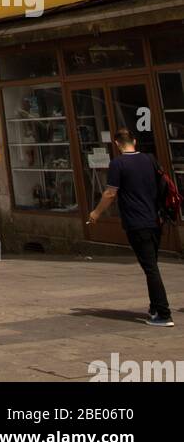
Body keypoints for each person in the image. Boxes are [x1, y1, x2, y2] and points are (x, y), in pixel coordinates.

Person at [88, 128, 174, 327]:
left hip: (137, 222)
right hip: (155, 220)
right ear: (134, 141)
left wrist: (96, 213)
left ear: (117, 144)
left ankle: (163, 313)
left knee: (150, 268)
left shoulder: (118, 163)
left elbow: (110, 194)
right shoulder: (149, 159)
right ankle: (154, 308)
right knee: (151, 264)